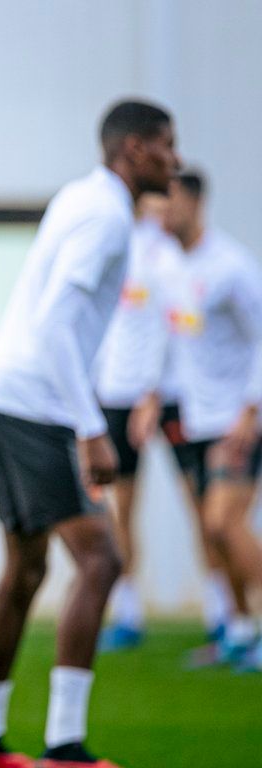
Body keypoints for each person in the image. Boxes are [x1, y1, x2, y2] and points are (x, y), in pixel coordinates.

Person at [0, 99, 179, 768]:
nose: (175, 160)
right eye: (166, 145)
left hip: (8, 394)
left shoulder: (81, 197)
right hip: (36, 405)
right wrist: (91, 429)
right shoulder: (107, 216)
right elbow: (56, 323)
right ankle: (65, 746)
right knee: (101, 560)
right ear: (135, 149)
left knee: (26, 569)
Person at [94, 193, 232, 651]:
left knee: (202, 505)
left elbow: (177, 324)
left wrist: (152, 392)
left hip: (170, 398)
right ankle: (128, 612)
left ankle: (222, 613)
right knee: (121, 507)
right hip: (117, 394)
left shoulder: (170, 255)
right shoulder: (112, 243)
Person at [155, 169, 262, 671]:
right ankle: (239, 630)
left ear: (196, 203)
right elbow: (175, 341)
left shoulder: (232, 266)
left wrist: (250, 409)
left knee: (224, 522)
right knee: (210, 532)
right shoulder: (167, 266)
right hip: (194, 418)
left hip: (235, 419)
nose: (162, 211)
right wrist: (151, 397)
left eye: (170, 201)